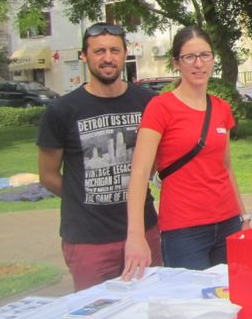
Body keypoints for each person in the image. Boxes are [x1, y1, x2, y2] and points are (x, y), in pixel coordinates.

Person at [37, 22, 161, 291]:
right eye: (99, 51)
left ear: (125, 53)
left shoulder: (149, 103)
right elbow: (47, 175)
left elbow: (155, 161)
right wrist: (83, 196)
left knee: (150, 310)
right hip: (88, 239)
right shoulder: (61, 110)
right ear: (85, 56)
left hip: (144, 229)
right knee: (95, 318)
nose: (108, 58)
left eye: (115, 50)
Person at [124, 25, 249, 275]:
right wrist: (135, 236)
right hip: (184, 230)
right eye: (189, 57)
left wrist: (243, 216)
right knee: (192, 306)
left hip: (227, 223)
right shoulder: (160, 108)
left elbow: (225, 167)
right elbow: (138, 175)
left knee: (231, 300)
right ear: (176, 63)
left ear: (213, 59)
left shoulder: (221, 108)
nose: (198, 64)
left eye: (205, 55)